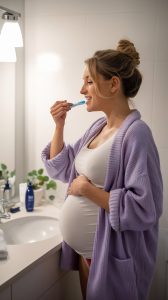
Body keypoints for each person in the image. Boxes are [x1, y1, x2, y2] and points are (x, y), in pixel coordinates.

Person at [41, 39, 163, 300]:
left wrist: (86, 189)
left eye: (89, 81)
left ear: (114, 84)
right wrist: (59, 126)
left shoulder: (136, 134)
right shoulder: (98, 127)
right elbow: (61, 168)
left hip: (111, 259)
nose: (82, 89)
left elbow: (145, 207)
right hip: (89, 256)